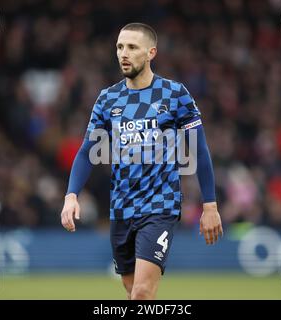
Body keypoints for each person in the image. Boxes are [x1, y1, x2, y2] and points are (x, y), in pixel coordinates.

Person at [60, 22, 223, 300]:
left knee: (142, 295)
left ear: (151, 53)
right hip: (122, 208)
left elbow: (199, 149)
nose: (124, 53)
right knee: (132, 291)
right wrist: (71, 195)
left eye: (132, 47)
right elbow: (88, 151)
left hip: (160, 206)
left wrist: (210, 205)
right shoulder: (107, 99)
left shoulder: (175, 94)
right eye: (120, 47)